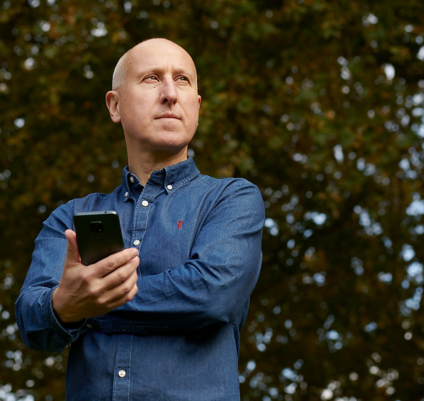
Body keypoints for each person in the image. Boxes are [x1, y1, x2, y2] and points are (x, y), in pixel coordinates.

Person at [15, 38, 264, 400]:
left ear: (197, 106)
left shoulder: (231, 199)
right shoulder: (72, 217)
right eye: (151, 78)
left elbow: (211, 294)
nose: (169, 93)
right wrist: (61, 307)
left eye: (182, 80)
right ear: (115, 105)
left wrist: (83, 304)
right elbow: (32, 321)